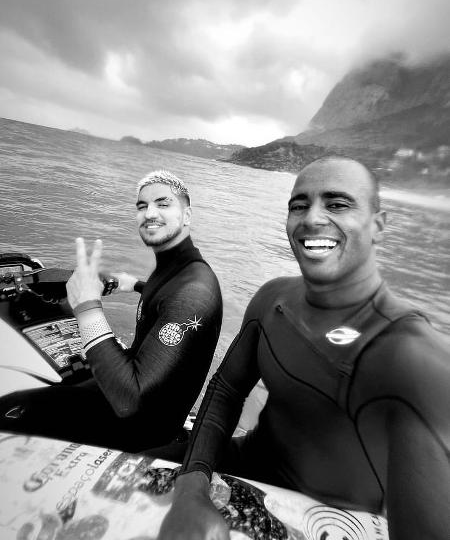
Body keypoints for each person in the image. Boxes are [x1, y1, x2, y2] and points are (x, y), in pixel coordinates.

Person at [158, 157, 450, 540]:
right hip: (247, 462)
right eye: (299, 205)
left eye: (337, 204)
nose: (312, 218)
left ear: (378, 225)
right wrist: (191, 490)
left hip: (334, 518)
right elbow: (226, 392)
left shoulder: (415, 356)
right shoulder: (271, 299)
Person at [1, 170, 222, 453]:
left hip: (139, 424)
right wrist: (133, 284)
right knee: (34, 398)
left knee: (14, 408)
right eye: (142, 206)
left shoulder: (194, 293)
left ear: (187, 215)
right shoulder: (180, 268)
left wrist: (87, 307)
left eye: (163, 204)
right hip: (142, 400)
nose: (149, 213)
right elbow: (166, 296)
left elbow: (130, 400)